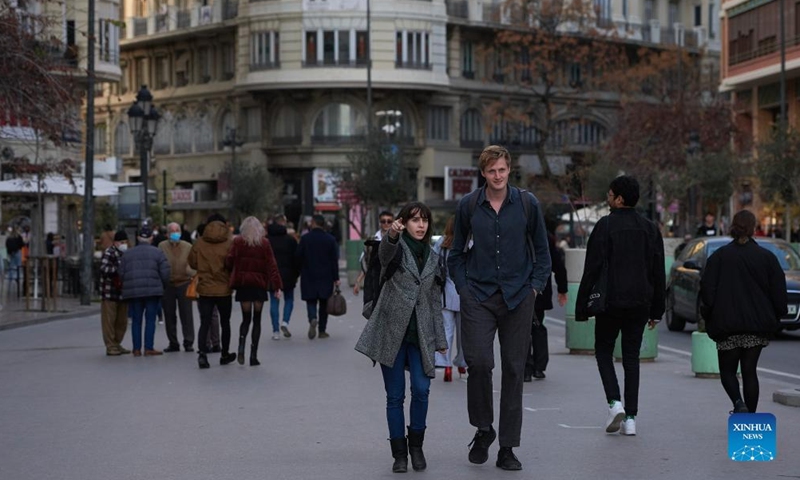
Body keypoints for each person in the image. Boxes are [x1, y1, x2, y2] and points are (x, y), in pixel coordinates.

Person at [448, 145, 551, 471]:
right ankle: (483, 428)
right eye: (492, 171)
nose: (497, 175)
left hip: (518, 296)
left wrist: (534, 288)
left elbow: (543, 253)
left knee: (513, 369)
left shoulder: (526, 203)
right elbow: (456, 254)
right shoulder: (468, 206)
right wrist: (464, 290)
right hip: (478, 295)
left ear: (509, 171)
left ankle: (507, 447)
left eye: (502, 170)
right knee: (478, 361)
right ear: (483, 173)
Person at [355, 202, 447, 473]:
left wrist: (440, 338)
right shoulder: (395, 248)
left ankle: (416, 446)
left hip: (421, 334)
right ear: (404, 222)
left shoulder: (432, 257)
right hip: (390, 332)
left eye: (425, 220)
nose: (420, 225)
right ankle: (399, 454)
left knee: (422, 389)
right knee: (394, 396)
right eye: (415, 220)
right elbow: (384, 254)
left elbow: (433, 301)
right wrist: (392, 235)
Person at [575, 175, 665, 437]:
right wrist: (657, 310)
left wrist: (582, 307)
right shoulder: (650, 229)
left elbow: (591, 269)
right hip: (640, 302)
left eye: (610, 193)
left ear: (620, 198)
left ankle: (615, 403)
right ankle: (632, 419)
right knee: (631, 358)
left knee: (603, 352)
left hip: (610, 302)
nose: (607, 197)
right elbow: (658, 272)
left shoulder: (604, 226)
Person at [700, 210, 787, 414]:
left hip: (726, 325)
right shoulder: (766, 258)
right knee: (750, 372)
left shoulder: (719, 257)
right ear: (753, 227)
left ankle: (739, 404)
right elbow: (778, 292)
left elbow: (707, 291)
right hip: (756, 327)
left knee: (728, 372)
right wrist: (776, 316)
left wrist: (709, 315)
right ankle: (750, 418)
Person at [227, 216, 283, 366]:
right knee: (256, 319)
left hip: (243, 284)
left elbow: (229, 261)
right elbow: (272, 265)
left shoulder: (238, 241)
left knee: (245, 319)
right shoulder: (264, 243)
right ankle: (253, 356)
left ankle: (241, 345)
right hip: (259, 285)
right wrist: (277, 286)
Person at [189, 213, 235, 369]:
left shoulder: (199, 243)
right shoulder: (229, 242)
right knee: (225, 323)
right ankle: (224, 354)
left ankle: (202, 355)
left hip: (205, 289)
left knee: (205, 322)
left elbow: (193, 263)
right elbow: (232, 263)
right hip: (224, 289)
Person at [119, 226, 171, 357]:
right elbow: (165, 273)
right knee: (150, 319)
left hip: (134, 291)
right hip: (152, 291)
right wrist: (163, 286)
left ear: (137, 238)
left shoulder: (128, 254)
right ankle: (148, 348)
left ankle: (136, 349)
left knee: (136, 320)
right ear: (151, 238)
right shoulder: (158, 253)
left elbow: (121, 273)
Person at [525, 231, 568, 382]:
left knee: (522, 329)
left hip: (520, 289)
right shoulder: (545, 238)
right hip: (540, 289)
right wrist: (562, 289)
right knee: (537, 326)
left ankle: (526, 368)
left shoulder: (514, 231)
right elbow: (558, 264)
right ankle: (539, 367)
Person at [431, 216, 467, 382]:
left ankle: (445, 366)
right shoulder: (469, 244)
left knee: (446, 331)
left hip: (445, 294)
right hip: (465, 294)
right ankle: (462, 362)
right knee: (464, 333)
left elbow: (432, 264)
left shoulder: (441, 243)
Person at [296, 214, 340, 340]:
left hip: (309, 274)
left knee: (311, 301)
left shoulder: (305, 239)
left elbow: (298, 256)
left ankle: (312, 318)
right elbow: (334, 260)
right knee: (324, 303)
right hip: (326, 276)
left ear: (314, 223)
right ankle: (322, 330)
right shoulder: (330, 239)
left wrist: (299, 270)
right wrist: (336, 278)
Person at [159, 222, 196, 352]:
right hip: (168, 284)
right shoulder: (162, 246)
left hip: (184, 283)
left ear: (180, 232)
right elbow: (160, 262)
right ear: (167, 233)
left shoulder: (188, 246)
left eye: (177, 230)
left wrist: (190, 272)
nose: (175, 233)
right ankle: (173, 342)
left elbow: (193, 263)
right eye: (172, 231)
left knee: (186, 314)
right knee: (169, 315)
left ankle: (188, 341)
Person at [98, 230, 131, 356]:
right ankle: (110, 346)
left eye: (125, 242)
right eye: (121, 242)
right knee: (109, 321)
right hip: (110, 293)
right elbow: (104, 269)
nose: (124, 244)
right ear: (116, 242)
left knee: (121, 321)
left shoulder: (126, 253)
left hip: (123, 293)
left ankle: (117, 343)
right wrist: (119, 270)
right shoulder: (109, 252)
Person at [267, 214, 300, 339]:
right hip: (288, 275)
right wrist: (296, 274)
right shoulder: (290, 240)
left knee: (274, 302)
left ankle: (275, 331)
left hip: (272, 275)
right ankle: (285, 322)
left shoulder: (267, 240)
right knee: (289, 299)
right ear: (283, 223)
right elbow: (296, 259)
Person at [353, 210, 395, 296]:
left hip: (392, 283)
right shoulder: (371, 241)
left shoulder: (398, 241)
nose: (386, 223)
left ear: (393, 223)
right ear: (380, 223)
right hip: (373, 282)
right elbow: (365, 263)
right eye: (383, 221)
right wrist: (358, 282)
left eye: (389, 221)